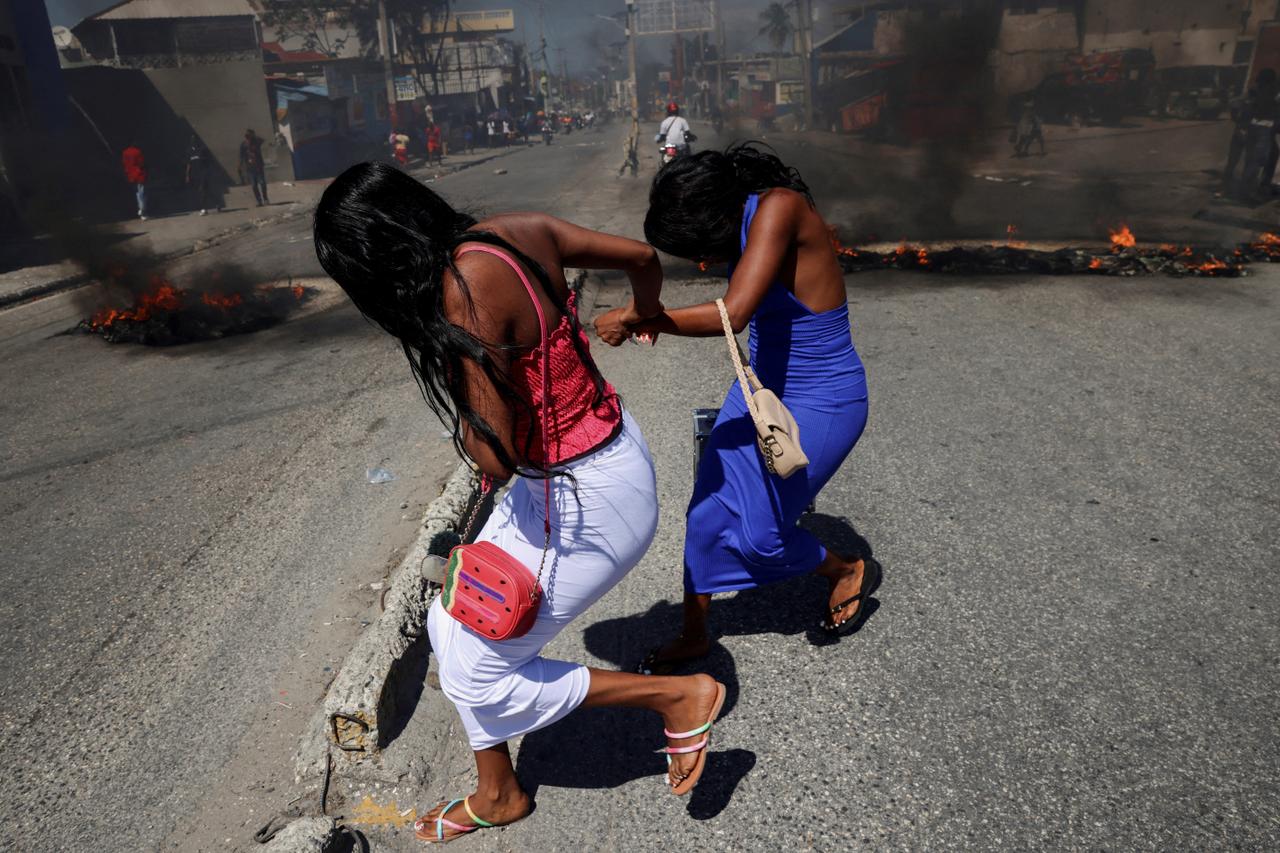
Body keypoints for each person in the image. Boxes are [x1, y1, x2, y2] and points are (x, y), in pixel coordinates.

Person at [312, 162, 727, 841]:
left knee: (478, 672)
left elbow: (495, 456)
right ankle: (498, 789)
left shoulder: (460, 299)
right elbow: (641, 256)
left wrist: (455, 374)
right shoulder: (510, 231)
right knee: (451, 620)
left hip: (585, 498)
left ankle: (677, 697)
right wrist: (641, 311)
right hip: (597, 464)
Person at [594, 144, 876, 674]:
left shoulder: (779, 206)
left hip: (824, 396)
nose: (702, 260)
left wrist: (639, 317)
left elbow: (736, 312)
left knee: (760, 537)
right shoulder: (746, 221)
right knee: (704, 515)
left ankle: (845, 569)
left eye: (699, 249)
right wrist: (653, 319)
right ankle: (695, 635)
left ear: (713, 214)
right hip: (760, 390)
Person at [1238, 69, 1280, 201]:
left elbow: (1245, 107)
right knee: (1258, 160)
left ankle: (1251, 187)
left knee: (1253, 159)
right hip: (1265, 128)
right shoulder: (1273, 90)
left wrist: (1243, 126)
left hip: (1254, 127)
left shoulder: (1256, 90)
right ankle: (1248, 191)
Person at [185, 136, 216, 216]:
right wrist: (187, 175)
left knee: (202, 190)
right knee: (203, 191)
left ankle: (204, 209)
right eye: (192, 140)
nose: (193, 141)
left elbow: (208, 162)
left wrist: (209, 172)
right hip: (195, 174)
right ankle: (216, 202)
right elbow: (189, 164)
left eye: (194, 140)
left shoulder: (202, 150)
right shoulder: (189, 151)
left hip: (203, 173)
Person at [238, 128, 269, 206]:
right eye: (247, 135)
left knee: (262, 183)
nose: (248, 137)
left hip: (258, 166)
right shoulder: (243, 144)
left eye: (249, 135)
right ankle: (259, 201)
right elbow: (241, 156)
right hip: (250, 168)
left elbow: (263, 140)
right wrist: (240, 166)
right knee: (254, 185)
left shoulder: (257, 142)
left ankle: (265, 198)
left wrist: (254, 137)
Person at [121, 142, 147, 220]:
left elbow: (124, 163)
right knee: (141, 193)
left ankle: (138, 209)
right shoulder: (138, 152)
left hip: (130, 174)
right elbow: (141, 163)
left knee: (135, 192)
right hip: (139, 174)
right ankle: (141, 210)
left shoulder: (125, 152)